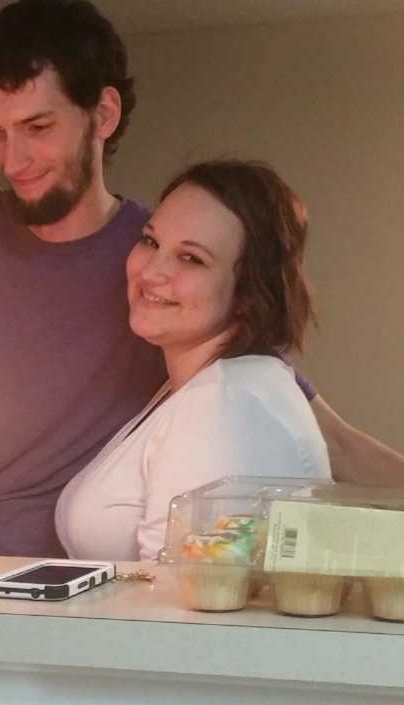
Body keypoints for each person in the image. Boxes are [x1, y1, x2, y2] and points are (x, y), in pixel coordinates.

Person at [0, 0, 404, 558]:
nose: (12, 159)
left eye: (38, 127)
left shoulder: (172, 268)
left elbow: (322, 431)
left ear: (104, 115)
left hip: (78, 583)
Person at [56, 160, 330, 560]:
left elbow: (182, 607)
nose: (151, 272)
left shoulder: (225, 406)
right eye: (151, 241)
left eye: (191, 259)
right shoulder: (200, 387)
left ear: (249, 292)